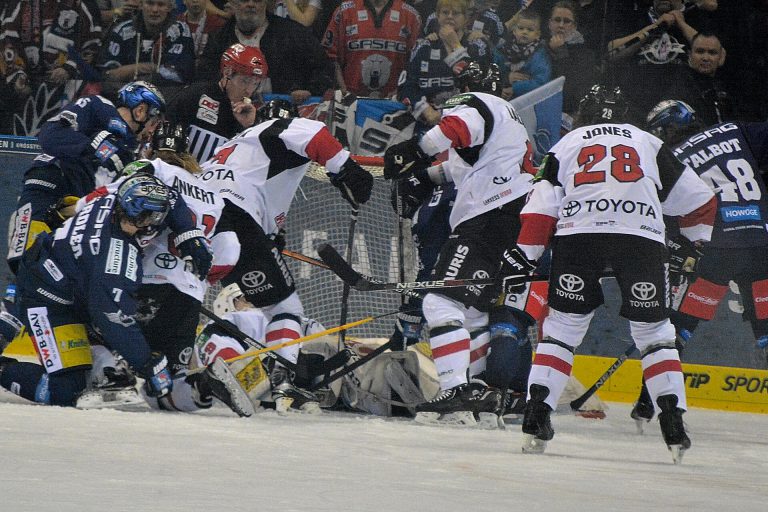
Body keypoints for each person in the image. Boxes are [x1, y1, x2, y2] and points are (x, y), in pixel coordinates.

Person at [510, 85, 717, 462]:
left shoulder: (567, 143)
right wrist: (692, 245)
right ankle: (672, 421)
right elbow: (702, 200)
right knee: (655, 332)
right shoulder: (647, 142)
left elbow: (541, 207)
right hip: (640, 240)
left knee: (562, 330)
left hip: (579, 236)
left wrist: (525, 257)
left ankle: (536, 415)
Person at [383, 62, 538, 426]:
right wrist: (426, 176)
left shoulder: (475, 101)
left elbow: (453, 129)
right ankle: (480, 399)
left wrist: (414, 151)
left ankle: (457, 390)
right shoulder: (510, 118)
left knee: (440, 299)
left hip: (489, 215)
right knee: (472, 314)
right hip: (518, 216)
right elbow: (458, 166)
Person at [199, 99, 374, 413]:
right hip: (235, 213)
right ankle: (282, 381)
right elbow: (314, 134)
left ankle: (166, 369)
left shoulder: (241, 148)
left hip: (197, 215)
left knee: (184, 291)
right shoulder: (275, 130)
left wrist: (268, 240)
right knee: (284, 307)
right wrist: (346, 169)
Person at [629, 100, 768, 426]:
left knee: (678, 329)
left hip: (714, 250)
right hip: (760, 243)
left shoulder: (670, 159)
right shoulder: (735, 130)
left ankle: (648, 402)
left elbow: (667, 216)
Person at [0, 175, 179, 407]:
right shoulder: (116, 256)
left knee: (114, 316)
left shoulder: (109, 199)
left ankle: (9, 321)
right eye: (141, 216)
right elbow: (110, 313)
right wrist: (147, 363)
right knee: (65, 391)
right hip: (47, 298)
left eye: (150, 216)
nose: (144, 224)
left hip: (64, 280)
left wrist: (188, 233)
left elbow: (172, 200)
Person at [6, 80, 166, 275]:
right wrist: (95, 149)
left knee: (59, 276)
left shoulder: (136, 153)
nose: (152, 131)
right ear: (140, 110)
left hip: (77, 210)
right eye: (153, 122)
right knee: (28, 259)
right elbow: (49, 135)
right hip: (50, 182)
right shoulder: (98, 107)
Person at [196, 0, 333, 102]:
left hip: (280, 114)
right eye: (244, 0)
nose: (251, 4)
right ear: (233, 3)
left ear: (265, 3)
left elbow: (324, 67)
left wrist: (310, 90)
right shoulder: (219, 38)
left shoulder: (294, 34)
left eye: (257, 0)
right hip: (230, 114)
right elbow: (204, 77)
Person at [398, 0, 491, 127]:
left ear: (466, 19)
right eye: (445, 12)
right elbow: (406, 85)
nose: (450, 16)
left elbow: (478, 83)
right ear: (438, 16)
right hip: (426, 122)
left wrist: (456, 46)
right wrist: (425, 109)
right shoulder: (424, 46)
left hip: (465, 123)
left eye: (456, 13)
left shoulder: (477, 45)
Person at [168, 43, 266, 163]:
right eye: (245, 81)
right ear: (227, 73)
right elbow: (167, 129)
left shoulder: (253, 115)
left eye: (255, 84)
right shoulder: (195, 95)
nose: (249, 90)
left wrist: (249, 127)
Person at [322, 0, 422, 98]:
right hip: (350, 101)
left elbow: (416, 63)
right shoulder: (344, 12)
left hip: (394, 103)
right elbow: (330, 56)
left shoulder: (411, 16)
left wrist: (401, 91)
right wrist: (343, 91)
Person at [0, 0, 102, 93]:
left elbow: (92, 43)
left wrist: (70, 67)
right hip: (28, 88)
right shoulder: (19, 4)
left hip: (71, 87)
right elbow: (7, 39)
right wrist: (17, 74)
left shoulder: (81, 4)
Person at [100, 0, 196, 91]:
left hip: (167, 96)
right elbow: (107, 74)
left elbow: (180, 74)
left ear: (169, 7)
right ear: (141, 4)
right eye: (150, 3)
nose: (155, 10)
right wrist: (148, 67)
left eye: (161, 4)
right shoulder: (122, 30)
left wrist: (131, 70)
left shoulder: (180, 31)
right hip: (124, 94)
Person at [663, 31, 739, 125]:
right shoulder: (680, 85)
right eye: (700, 51)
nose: (705, 58)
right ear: (690, 55)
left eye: (712, 53)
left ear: (721, 57)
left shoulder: (728, 85)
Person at [544, 1, 598, 126]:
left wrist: (561, 53)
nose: (561, 25)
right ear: (549, 23)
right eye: (557, 20)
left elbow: (572, 91)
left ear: (574, 26)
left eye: (567, 21)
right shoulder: (537, 46)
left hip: (566, 117)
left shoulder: (586, 54)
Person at [499, 9, 551, 101]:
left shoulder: (539, 53)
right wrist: (505, 80)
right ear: (514, 31)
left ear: (537, 34)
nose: (525, 32)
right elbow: (495, 70)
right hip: (503, 96)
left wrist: (515, 88)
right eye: (521, 28)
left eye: (530, 30)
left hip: (528, 101)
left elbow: (541, 81)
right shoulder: (504, 48)